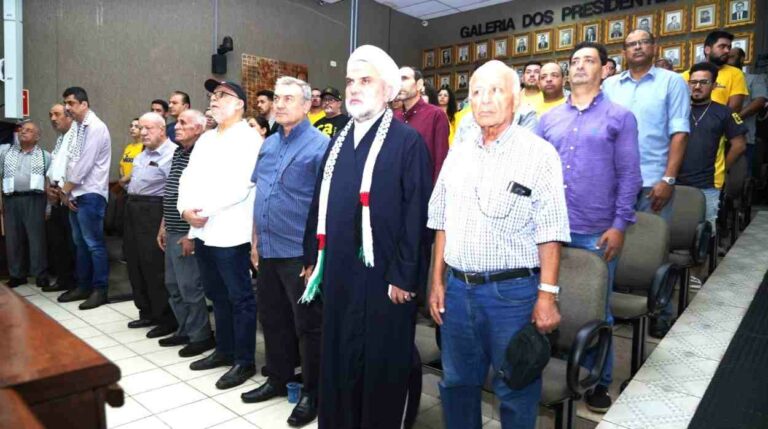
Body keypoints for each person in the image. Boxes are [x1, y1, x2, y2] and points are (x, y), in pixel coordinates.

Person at [428, 60, 570, 429]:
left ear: (517, 98)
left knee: (515, 387)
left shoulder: (539, 154)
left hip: (512, 295)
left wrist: (547, 295)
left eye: (496, 90)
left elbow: (551, 231)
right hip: (457, 291)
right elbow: (441, 221)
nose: (485, 100)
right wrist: (437, 281)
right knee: (456, 383)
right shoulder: (458, 153)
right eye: (477, 92)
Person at [301, 44, 432, 429]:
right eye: (350, 82)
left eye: (365, 81)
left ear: (388, 90)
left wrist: (405, 276)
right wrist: (312, 260)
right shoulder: (338, 141)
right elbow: (319, 203)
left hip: (385, 280)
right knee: (339, 358)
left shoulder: (408, 142)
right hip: (339, 273)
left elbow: (417, 214)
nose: (354, 89)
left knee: (381, 366)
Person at [538, 42, 642, 413]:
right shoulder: (548, 119)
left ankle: (598, 381)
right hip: (549, 231)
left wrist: (620, 224)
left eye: (589, 60)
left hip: (596, 231)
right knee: (547, 302)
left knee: (596, 310)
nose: (580, 66)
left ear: (604, 69)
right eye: (575, 61)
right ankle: (552, 372)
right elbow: (534, 173)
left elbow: (630, 175)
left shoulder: (620, 117)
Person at [240, 77, 329, 427]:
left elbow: (325, 207)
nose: (279, 104)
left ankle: (312, 393)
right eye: (277, 98)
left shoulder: (321, 145)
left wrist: (315, 257)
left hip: (299, 254)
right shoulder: (269, 143)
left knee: (308, 326)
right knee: (273, 319)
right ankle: (277, 378)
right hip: (268, 249)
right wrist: (254, 241)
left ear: (307, 105)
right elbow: (260, 193)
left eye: (288, 99)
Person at [603, 30, 690, 338]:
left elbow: (679, 133)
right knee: (611, 249)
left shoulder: (672, 82)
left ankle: (660, 312)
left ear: (654, 47)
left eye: (643, 42)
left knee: (652, 250)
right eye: (631, 44)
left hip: (653, 181)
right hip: (614, 183)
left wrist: (668, 179)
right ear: (624, 51)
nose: (637, 47)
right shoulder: (610, 85)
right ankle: (612, 309)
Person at [178, 79, 262, 389]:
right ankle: (224, 350)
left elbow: (241, 186)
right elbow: (188, 178)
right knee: (216, 294)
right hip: (203, 230)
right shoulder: (206, 139)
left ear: (240, 104)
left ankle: (244, 360)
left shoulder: (249, 138)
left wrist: (204, 211)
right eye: (213, 95)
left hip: (231, 232)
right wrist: (185, 211)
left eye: (223, 95)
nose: (214, 99)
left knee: (240, 298)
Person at [157, 109, 215, 357]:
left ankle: (201, 336)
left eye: (183, 122)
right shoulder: (179, 152)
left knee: (190, 286)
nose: (176, 127)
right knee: (173, 284)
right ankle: (185, 329)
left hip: (186, 231)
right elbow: (172, 193)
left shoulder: (203, 154)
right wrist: (163, 225)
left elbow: (203, 196)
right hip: (172, 227)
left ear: (199, 128)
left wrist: (191, 234)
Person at [57, 86, 112, 310]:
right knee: (80, 243)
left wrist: (65, 190)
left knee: (93, 244)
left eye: (71, 103)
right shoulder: (78, 127)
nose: (67, 108)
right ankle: (83, 286)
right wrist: (69, 191)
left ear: (84, 104)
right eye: (65, 103)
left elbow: (84, 165)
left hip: (91, 193)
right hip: (77, 192)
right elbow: (70, 161)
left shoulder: (96, 127)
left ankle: (100, 290)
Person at [124, 112, 178, 338]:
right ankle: (146, 311)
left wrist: (164, 223)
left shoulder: (172, 154)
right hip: (133, 208)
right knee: (135, 262)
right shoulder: (141, 154)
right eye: (141, 128)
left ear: (162, 129)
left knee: (154, 266)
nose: (143, 132)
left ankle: (165, 318)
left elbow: (172, 191)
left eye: (149, 128)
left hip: (154, 211)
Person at [680, 62, 747, 232]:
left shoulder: (725, 112)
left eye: (704, 82)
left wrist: (722, 168)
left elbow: (739, 145)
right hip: (675, 181)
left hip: (708, 184)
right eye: (693, 82)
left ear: (714, 85)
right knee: (675, 230)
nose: (697, 86)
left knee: (705, 233)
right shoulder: (677, 109)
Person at [682, 31, 748, 190]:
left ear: (713, 84)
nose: (727, 51)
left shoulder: (735, 73)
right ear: (707, 49)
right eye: (722, 46)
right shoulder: (686, 75)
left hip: (719, 136)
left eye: (729, 47)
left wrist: (715, 121)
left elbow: (735, 107)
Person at [0, 121, 52, 289]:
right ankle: (17, 275)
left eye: (28, 130)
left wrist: (48, 207)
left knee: (37, 239)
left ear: (37, 137)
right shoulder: (5, 153)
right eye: (22, 129)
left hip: (35, 199)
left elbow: (49, 182)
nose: (23, 132)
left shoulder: (45, 156)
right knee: (13, 239)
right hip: (10, 199)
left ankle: (40, 274)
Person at [395, 66, 450, 183]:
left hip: (425, 188)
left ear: (419, 84)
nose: (399, 84)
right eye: (397, 79)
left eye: (404, 78)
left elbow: (441, 160)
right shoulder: (394, 117)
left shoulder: (436, 115)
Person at [45, 104, 77, 293]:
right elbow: (53, 168)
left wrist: (63, 191)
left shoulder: (76, 136)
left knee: (72, 243)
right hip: (56, 195)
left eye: (57, 114)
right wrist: (49, 188)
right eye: (50, 115)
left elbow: (76, 168)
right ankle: (63, 280)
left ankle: (75, 283)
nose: (53, 118)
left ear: (69, 116)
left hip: (70, 196)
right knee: (58, 242)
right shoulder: (60, 138)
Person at [728, 47, 768, 176]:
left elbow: (759, 101)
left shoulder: (753, 79)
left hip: (744, 139)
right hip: (717, 140)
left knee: (740, 180)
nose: (727, 59)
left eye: (732, 57)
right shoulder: (718, 80)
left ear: (741, 59)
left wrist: (734, 119)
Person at [118, 119, 143, 189]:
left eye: (136, 126)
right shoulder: (128, 147)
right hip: (125, 185)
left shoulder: (145, 147)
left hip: (137, 185)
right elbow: (121, 165)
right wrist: (123, 178)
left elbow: (140, 168)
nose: (132, 128)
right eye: (131, 126)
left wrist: (125, 179)